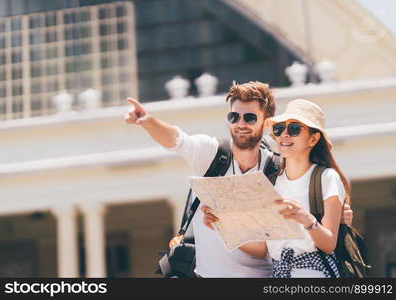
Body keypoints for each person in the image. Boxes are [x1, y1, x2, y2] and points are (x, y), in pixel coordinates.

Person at [125, 81, 352, 277]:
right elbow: (175, 139)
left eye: (250, 117)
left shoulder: (277, 168)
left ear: (266, 123)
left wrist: (338, 215)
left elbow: (272, 241)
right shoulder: (211, 154)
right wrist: (147, 121)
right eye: (234, 116)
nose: (240, 124)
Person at [204, 98, 349, 277]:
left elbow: (329, 244)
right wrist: (222, 225)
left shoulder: (327, 178)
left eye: (294, 129)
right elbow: (263, 248)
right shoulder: (270, 182)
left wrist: (307, 221)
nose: (284, 135)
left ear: (313, 138)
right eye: (279, 129)